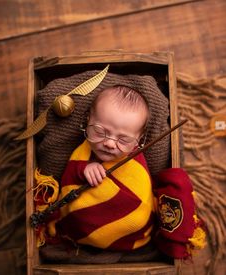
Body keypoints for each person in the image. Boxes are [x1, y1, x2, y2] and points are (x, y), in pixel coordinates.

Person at [37, 85, 205, 259]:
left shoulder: (134, 161)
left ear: (138, 142)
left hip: (135, 228)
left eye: (123, 139)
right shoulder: (82, 154)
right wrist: (83, 169)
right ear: (87, 121)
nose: (109, 143)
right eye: (100, 131)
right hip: (81, 224)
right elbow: (69, 178)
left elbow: (142, 189)